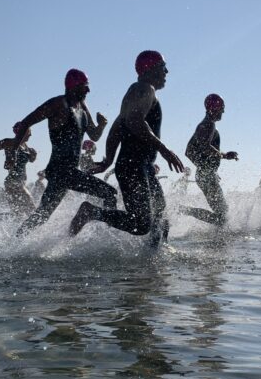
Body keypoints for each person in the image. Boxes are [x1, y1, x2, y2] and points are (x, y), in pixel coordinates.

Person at [69, 50, 184, 245]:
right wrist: (165, 150)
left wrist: (108, 160)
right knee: (141, 224)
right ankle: (91, 212)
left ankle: (155, 262)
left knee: (160, 214)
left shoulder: (137, 90)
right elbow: (133, 120)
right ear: (151, 68)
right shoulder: (146, 89)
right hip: (133, 165)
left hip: (140, 165)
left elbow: (116, 127)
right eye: (163, 67)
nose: (167, 71)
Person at [14, 68, 117, 235]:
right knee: (109, 193)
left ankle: (17, 240)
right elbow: (26, 122)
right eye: (84, 86)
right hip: (60, 170)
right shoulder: (57, 104)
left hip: (66, 172)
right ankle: (107, 237)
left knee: (43, 215)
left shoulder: (83, 107)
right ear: (73, 86)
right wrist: (13, 151)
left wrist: (102, 125)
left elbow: (94, 135)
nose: (88, 90)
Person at [179, 94, 238, 227]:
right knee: (223, 217)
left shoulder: (203, 125)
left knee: (222, 215)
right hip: (206, 175)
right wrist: (224, 156)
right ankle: (183, 210)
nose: (223, 111)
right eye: (222, 108)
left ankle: (184, 210)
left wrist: (205, 167)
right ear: (215, 108)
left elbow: (188, 151)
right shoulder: (209, 125)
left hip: (205, 174)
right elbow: (205, 146)